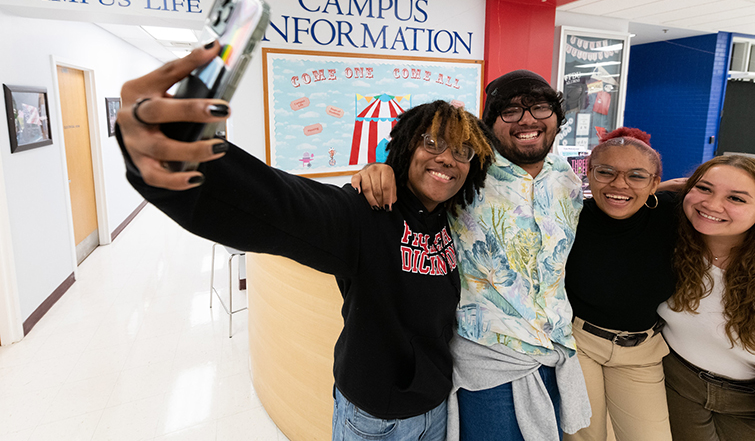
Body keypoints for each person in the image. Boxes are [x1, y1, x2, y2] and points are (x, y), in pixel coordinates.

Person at [113, 41, 496, 441]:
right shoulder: (367, 213)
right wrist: (180, 156)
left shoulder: (457, 221)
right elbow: (284, 205)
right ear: (405, 149)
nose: (447, 159)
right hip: (374, 421)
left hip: (436, 409)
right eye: (431, 143)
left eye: (463, 151)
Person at [353, 69, 592, 440]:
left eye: (540, 107)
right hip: (490, 359)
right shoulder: (468, 172)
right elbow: (416, 174)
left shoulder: (568, 179)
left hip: (557, 352)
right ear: (489, 124)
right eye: (510, 111)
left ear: (557, 118)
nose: (527, 119)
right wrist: (378, 168)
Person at [657, 155, 755, 441]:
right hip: (678, 384)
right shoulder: (666, 240)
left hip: (752, 402)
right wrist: (654, 190)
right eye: (705, 188)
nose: (711, 204)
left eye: (736, 198)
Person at [563, 127, 676, 441]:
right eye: (606, 172)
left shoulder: (672, 214)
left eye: (636, 176)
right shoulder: (570, 219)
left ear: (655, 182)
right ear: (588, 174)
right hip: (580, 344)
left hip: (642, 351)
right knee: (583, 435)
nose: (619, 184)